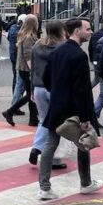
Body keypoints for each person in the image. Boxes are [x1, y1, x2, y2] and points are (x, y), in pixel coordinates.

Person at [38, 18, 103, 200]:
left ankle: (44, 187)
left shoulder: (56, 53)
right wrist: (84, 117)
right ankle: (86, 183)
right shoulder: (80, 56)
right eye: (88, 29)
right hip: (75, 109)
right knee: (84, 144)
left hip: (57, 106)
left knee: (50, 145)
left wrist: (57, 92)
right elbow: (82, 89)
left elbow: (46, 79)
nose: (90, 32)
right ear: (76, 31)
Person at [29, 20, 68, 169]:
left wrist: (32, 89)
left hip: (39, 87)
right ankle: (54, 158)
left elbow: (33, 70)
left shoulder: (37, 45)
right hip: (56, 89)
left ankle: (36, 147)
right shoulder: (63, 46)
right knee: (59, 123)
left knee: (43, 120)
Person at [2, 15, 39, 127]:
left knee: (31, 94)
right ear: (33, 23)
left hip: (24, 69)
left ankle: (33, 119)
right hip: (26, 69)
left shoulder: (26, 35)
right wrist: (33, 71)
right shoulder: (28, 37)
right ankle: (10, 111)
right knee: (31, 94)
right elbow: (28, 56)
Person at [8, 15, 24, 97]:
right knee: (19, 78)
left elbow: (8, 38)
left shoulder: (12, 28)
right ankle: (17, 96)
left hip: (12, 54)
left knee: (15, 76)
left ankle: (15, 94)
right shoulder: (21, 31)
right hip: (18, 56)